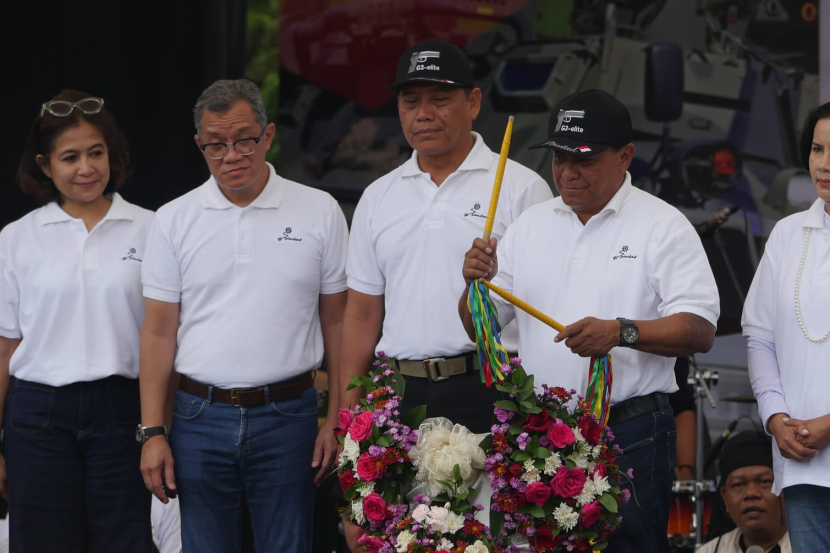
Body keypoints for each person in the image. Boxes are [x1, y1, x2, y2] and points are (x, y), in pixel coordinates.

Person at [460, 89, 720, 553]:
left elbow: (699, 329)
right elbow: (481, 330)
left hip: (630, 430)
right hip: (539, 433)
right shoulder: (529, 225)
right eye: (559, 158)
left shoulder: (662, 224)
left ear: (625, 157)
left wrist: (620, 331)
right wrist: (473, 287)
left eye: (584, 159)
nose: (567, 172)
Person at [338, 38, 552, 553]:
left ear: (474, 103)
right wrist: (349, 422)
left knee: (494, 543)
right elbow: (362, 315)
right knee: (400, 541)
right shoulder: (379, 196)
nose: (423, 113)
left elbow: (544, 313)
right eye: (410, 101)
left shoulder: (523, 189)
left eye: (440, 98)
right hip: (403, 397)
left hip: (491, 391)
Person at [138, 79, 348, 552]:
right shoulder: (173, 219)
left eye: (244, 140)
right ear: (199, 145)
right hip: (197, 416)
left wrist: (337, 417)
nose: (232, 155)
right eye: (216, 145)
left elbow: (338, 322)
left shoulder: (320, 210)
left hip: (289, 414)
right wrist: (153, 431)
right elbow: (156, 332)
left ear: (268, 135)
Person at [0, 90, 154, 551]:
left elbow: (165, 336)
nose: (85, 168)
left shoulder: (153, 228)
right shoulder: (17, 238)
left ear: (112, 154)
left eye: (96, 153)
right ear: (46, 165)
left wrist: (159, 428)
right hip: (37, 417)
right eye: (70, 157)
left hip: (125, 413)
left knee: (124, 541)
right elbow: (5, 348)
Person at [741, 100, 830, 552]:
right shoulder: (788, 233)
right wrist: (776, 419)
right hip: (803, 465)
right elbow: (759, 336)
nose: (825, 164)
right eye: (817, 149)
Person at [698, 431, 790, 553]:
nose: (751, 493)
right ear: (725, 498)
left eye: (764, 482)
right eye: (738, 485)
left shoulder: (813, 545)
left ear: (784, 491)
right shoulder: (708, 551)